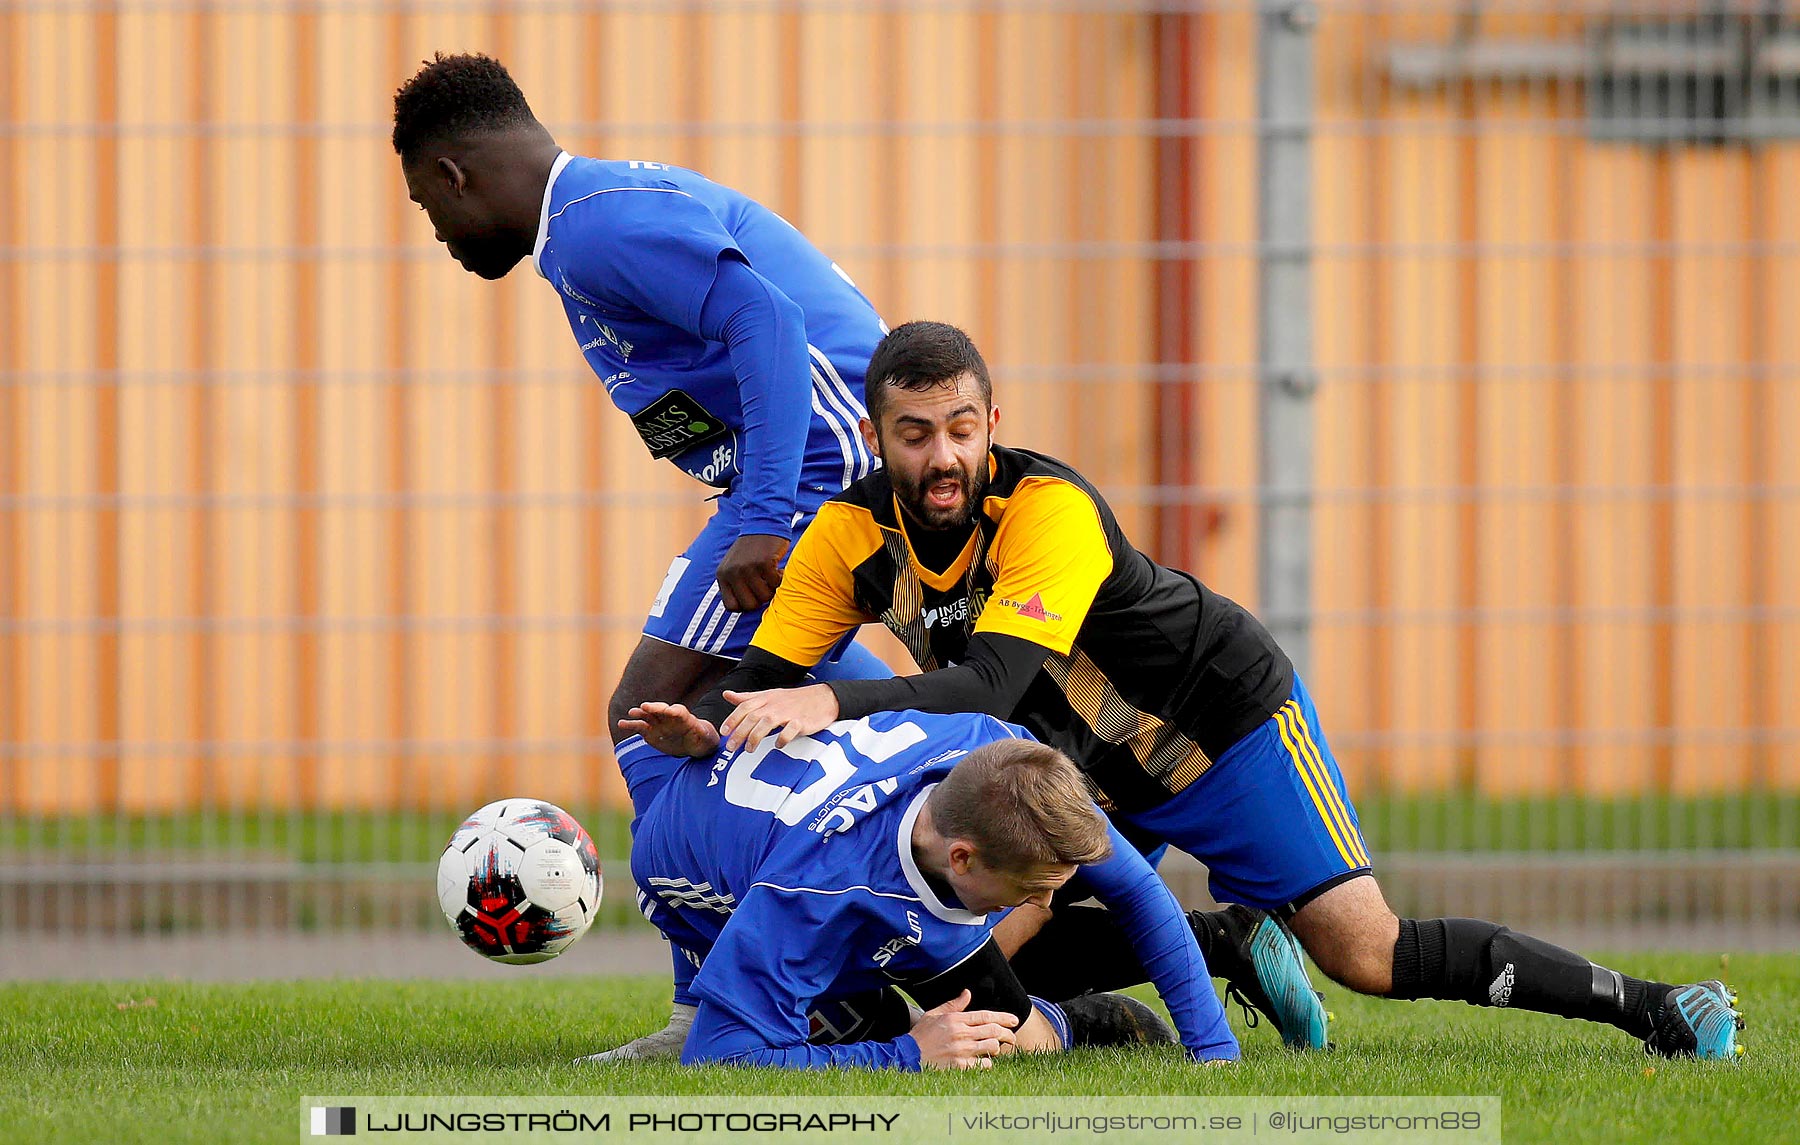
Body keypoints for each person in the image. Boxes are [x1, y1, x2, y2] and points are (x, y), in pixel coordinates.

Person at [639, 320, 1746, 1061]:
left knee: (1367, 951)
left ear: (991, 423)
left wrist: (839, 702)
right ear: (878, 435)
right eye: (915, 432)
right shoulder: (846, 533)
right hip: (1075, 773)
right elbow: (773, 675)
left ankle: (1651, 1008)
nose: (942, 455)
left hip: (1219, 722)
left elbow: (994, 679)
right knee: (973, 944)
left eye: (962, 429)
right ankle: (1214, 953)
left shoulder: (1046, 507)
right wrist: (718, 718)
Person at [392, 52, 893, 738]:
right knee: (748, 688)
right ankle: (940, 732)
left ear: (455, 177)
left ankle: (908, 793)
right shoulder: (581, 225)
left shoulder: (597, 228)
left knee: (649, 713)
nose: (439, 233)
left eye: (427, 205)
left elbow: (768, 319)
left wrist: (768, 519)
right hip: (801, 460)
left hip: (824, 458)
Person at [588, 707, 1239, 1068]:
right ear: (962, 857)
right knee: (840, 1037)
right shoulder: (813, 891)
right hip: (712, 896)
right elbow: (720, 1060)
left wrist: (1214, 1050)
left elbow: (1134, 888)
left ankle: (1068, 1021)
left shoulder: (1000, 755)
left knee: (1004, 1034)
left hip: (857, 860)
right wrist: (906, 1053)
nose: (1038, 905)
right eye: (1026, 891)